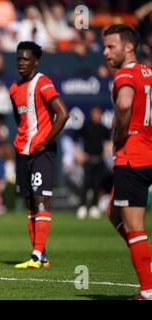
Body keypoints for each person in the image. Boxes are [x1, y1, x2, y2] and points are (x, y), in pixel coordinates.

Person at [103, 24, 152, 300]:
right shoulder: (149, 73)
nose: (105, 52)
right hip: (148, 152)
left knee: (134, 225)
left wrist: (120, 134)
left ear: (129, 47)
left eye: (111, 46)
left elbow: (124, 104)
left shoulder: (126, 74)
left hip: (133, 155)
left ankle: (147, 290)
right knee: (112, 211)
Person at [10, 41, 69, 269]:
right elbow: (19, 118)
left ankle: (36, 255)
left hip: (41, 150)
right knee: (29, 203)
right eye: (18, 59)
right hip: (22, 150)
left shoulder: (42, 83)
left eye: (26, 59)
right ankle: (39, 254)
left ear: (36, 61)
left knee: (41, 198)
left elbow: (62, 113)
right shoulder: (14, 88)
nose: (21, 63)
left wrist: (44, 140)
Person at [75, 105, 111, 219]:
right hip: (88, 160)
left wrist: (106, 152)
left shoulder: (103, 128)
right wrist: (79, 154)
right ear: (91, 114)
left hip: (99, 160)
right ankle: (82, 207)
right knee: (86, 183)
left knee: (97, 184)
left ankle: (94, 207)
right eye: (94, 113)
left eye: (98, 113)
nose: (96, 115)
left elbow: (109, 140)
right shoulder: (86, 126)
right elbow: (74, 139)